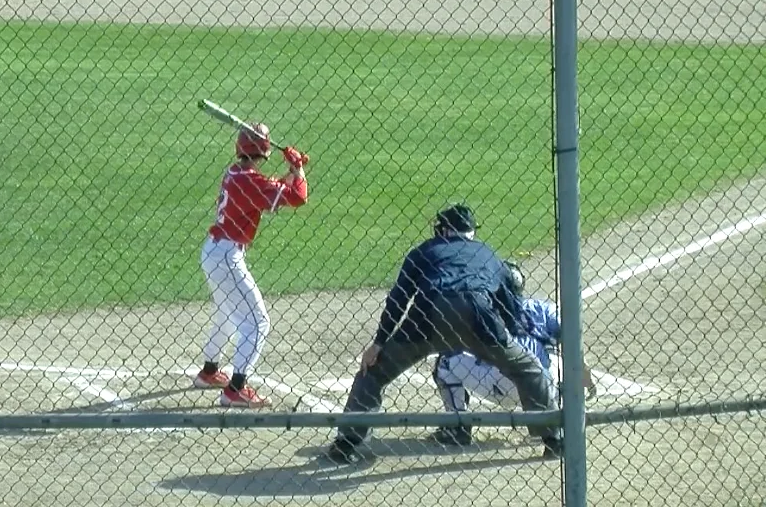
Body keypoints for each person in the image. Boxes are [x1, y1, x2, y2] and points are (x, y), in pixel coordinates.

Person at [325, 203, 564, 463]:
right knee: (528, 368)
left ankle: (346, 443)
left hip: (428, 315)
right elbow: (510, 308)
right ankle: (553, 439)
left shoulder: (425, 250)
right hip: (478, 317)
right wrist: (504, 339)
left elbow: (398, 298)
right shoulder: (489, 254)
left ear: (446, 229)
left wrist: (379, 343)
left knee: (373, 372)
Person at [192, 122, 309, 408]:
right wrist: (297, 171)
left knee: (227, 313)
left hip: (213, 252)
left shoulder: (237, 174)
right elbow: (298, 197)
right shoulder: (252, 182)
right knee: (258, 323)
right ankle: (235, 389)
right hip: (227, 256)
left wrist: (294, 173)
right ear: (264, 150)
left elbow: (272, 190)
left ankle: (209, 372)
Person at [429, 260, 597, 446]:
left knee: (445, 361)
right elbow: (572, 341)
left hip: (497, 386)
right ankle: (556, 426)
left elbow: (455, 344)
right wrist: (585, 377)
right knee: (555, 354)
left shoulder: (480, 311)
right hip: (542, 388)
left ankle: (458, 428)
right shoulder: (544, 309)